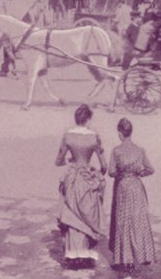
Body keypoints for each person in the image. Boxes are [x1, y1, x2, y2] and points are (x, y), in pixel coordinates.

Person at [56, 103, 106, 268]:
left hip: (73, 177)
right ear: (88, 119)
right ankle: (86, 252)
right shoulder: (94, 137)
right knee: (87, 211)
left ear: (76, 119)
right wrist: (96, 173)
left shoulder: (68, 136)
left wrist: (70, 160)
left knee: (72, 211)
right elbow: (104, 165)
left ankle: (72, 253)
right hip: (86, 178)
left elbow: (58, 161)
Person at [108, 117, 155, 273]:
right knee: (137, 220)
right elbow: (150, 169)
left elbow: (111, 172)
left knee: (123, 220)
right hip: (136, 186)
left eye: (119, 133)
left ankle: (123, 258)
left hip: (123, 187)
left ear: (121, 133)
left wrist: (122, 174)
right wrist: (139, 173)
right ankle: (141, 255)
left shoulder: (117, 150)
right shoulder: (139, 150)